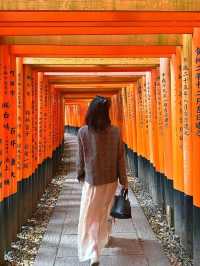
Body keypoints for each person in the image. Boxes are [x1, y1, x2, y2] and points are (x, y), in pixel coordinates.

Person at [76, 95, 128, 266]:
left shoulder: (83, 131)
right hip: (111, 180)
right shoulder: (115, 131)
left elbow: (80, 159)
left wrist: (81, 175)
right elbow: (121, 158)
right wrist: (124, 181)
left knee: (90, 216)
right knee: (105, 211)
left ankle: (94, 252)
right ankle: (103, 239)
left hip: (92, 181)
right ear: (106, 112)